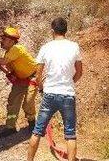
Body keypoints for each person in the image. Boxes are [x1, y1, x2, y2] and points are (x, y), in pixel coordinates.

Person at [27, 17, 83, 161]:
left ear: (52, 30)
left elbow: (38, 75)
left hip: (50, 94)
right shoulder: (74, 46)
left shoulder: (46, 47)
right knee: (70, 134)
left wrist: (41, 87)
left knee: (37, 131)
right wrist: (70, 82)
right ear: (66, 30)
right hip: (67, 95)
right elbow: (79, 72)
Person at [0, 27, 38, 138]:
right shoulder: (9, 53)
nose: (1, 41)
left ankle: (32, 123)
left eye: (4, 39)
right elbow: (9, 69)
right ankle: (10, 127)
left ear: (11, 41)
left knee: (28, 103)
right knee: (12, 103)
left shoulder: (16, 49)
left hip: (32, 78)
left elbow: (3, 62)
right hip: (21, 80)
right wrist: (9, 74)